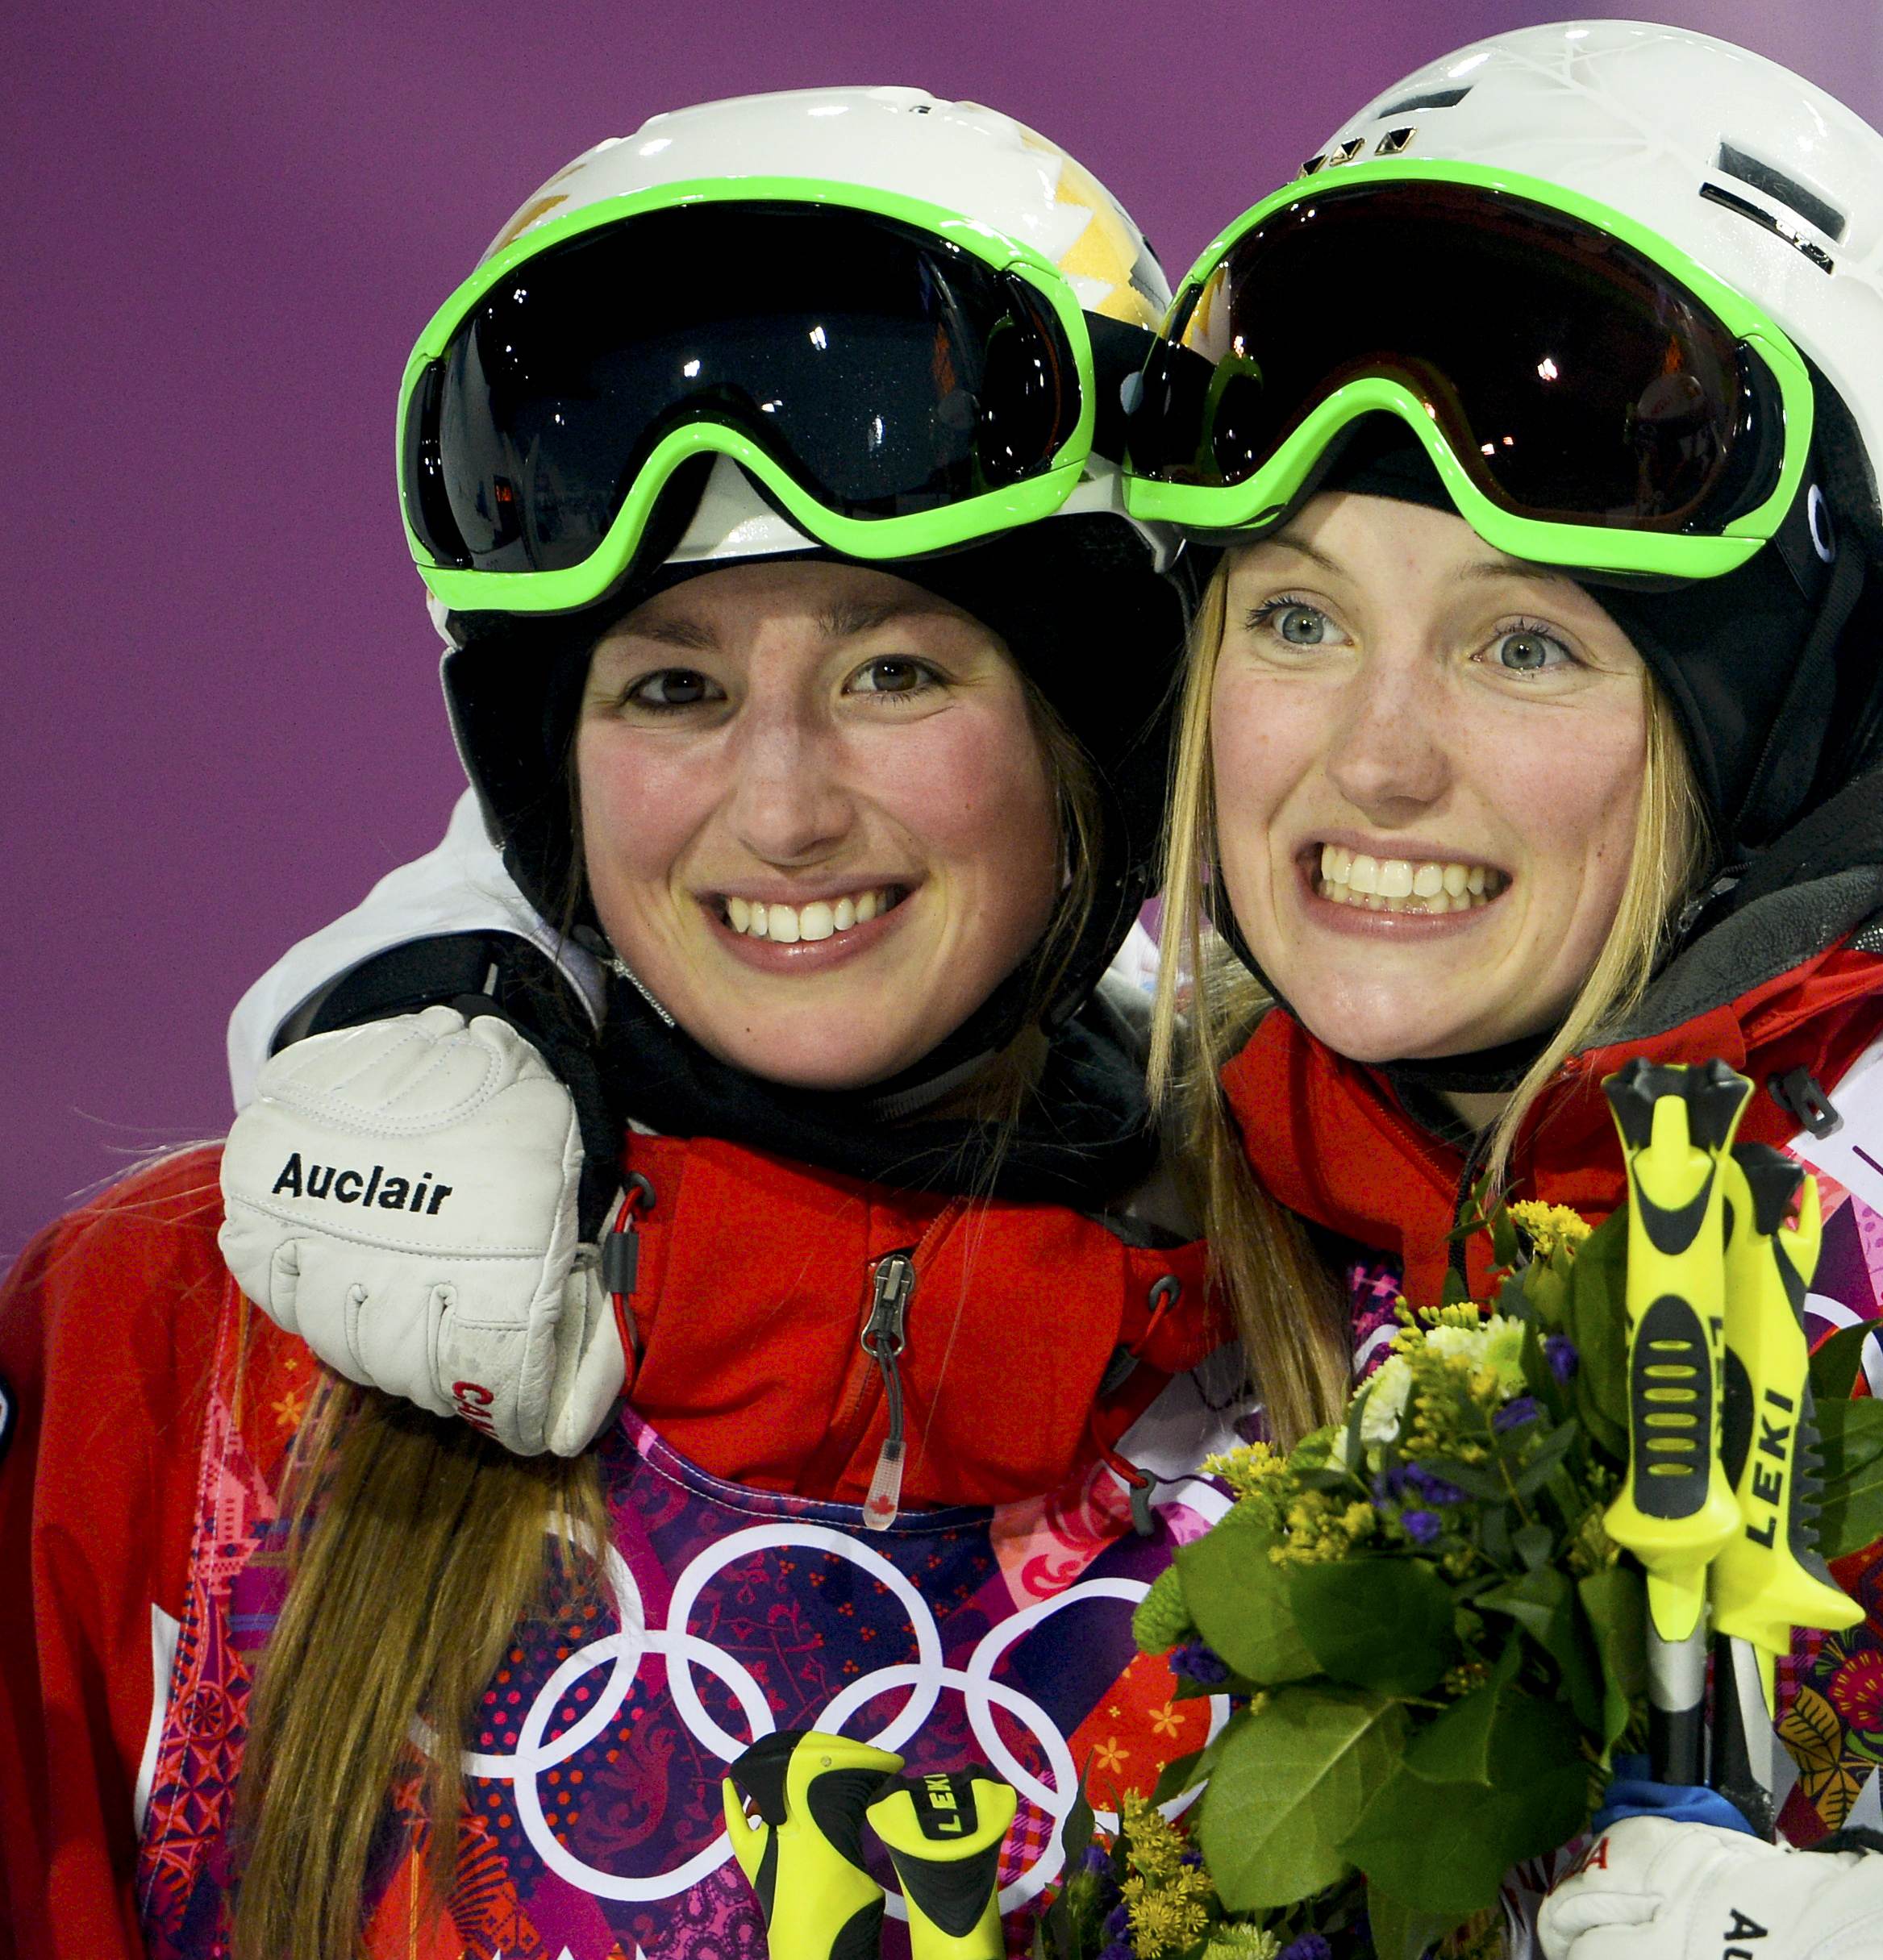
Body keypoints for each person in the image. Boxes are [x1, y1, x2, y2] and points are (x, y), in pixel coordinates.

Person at [160, 19, 1883, 1956]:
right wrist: (459, 969)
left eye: (1526, 644)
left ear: (1784, 704)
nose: (1375, 759)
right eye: (1300, 619)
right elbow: (814, 988)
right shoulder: (1207, 1224)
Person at [0, 89, 1243, 1960]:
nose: (782, 807)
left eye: (894, 667)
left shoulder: (1340, 1389)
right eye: (670, 687)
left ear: (1096, 734)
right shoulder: (182, 1342)